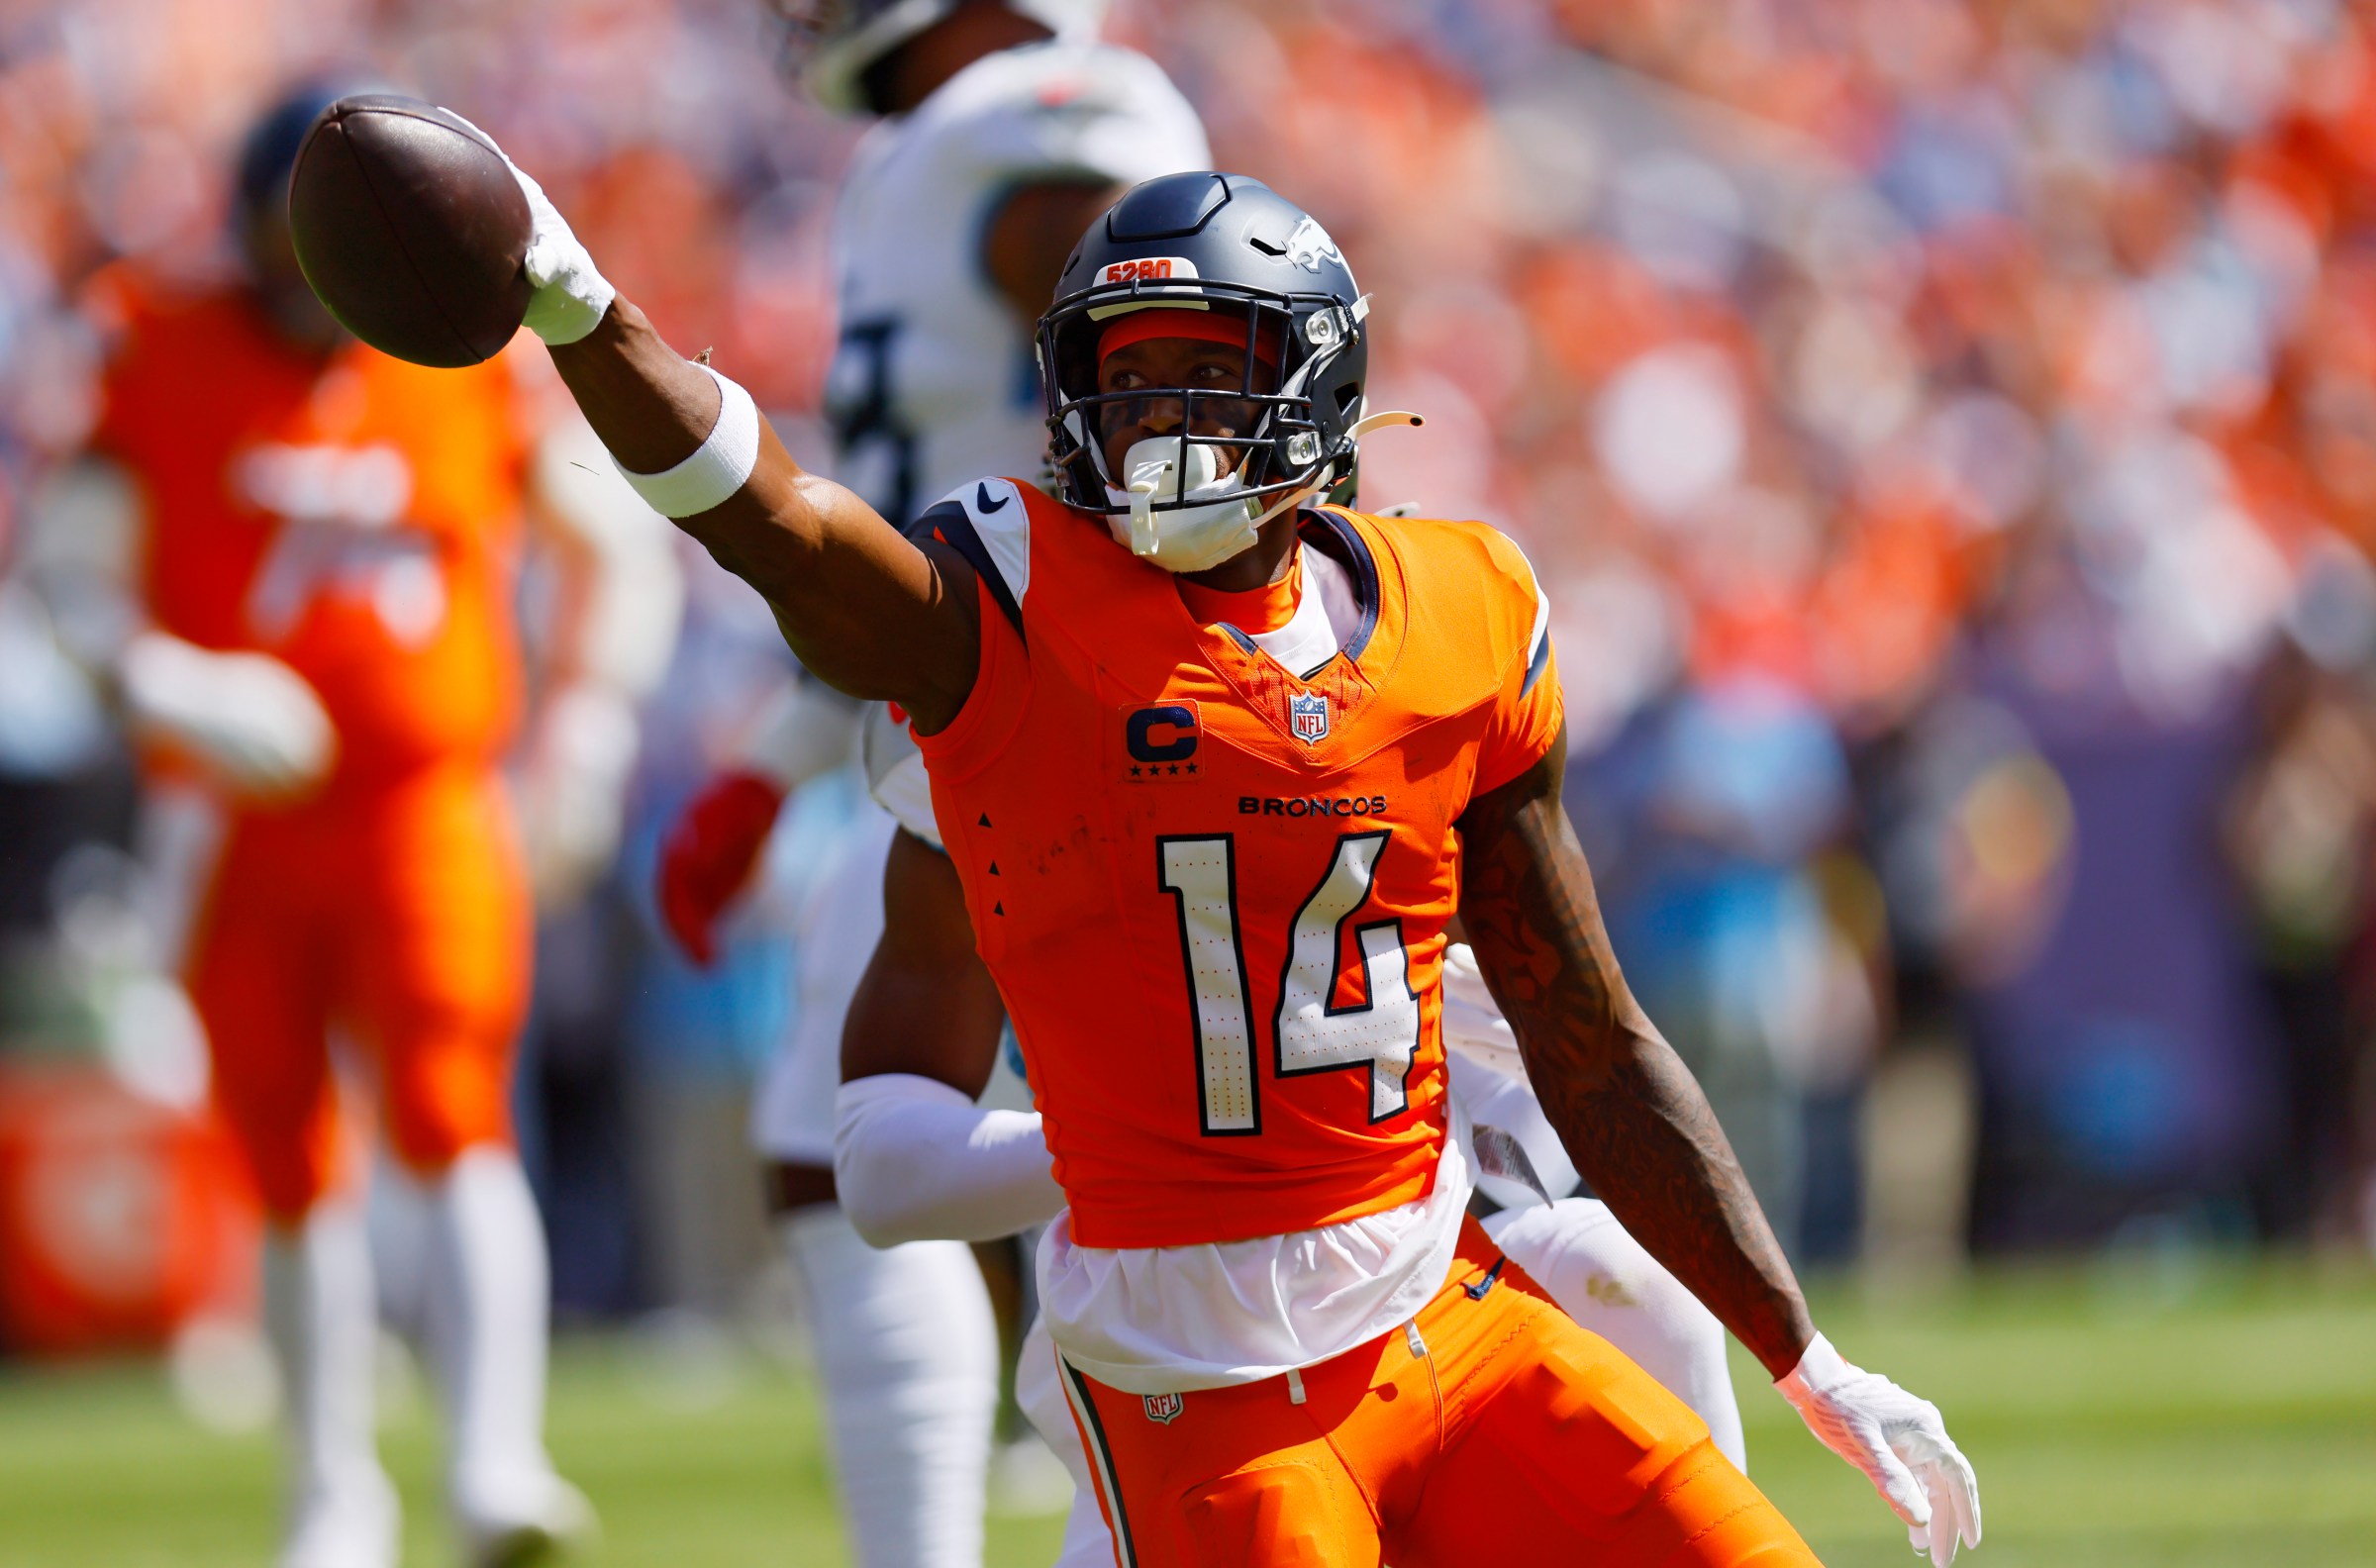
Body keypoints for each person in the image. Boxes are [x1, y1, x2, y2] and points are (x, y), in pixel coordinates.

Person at [473, 148, 1983, 1564]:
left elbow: (1590, 1037)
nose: (1160, 422)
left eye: (1205, 374)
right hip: (1193, 1376)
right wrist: (584, 310)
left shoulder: (1461, 616)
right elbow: (782, 526)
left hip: (1447, 1310)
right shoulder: (1008, 629)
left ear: (1315, 388)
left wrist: (1810, 1358)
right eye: (1127, 383)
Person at [22, 86, 680, 1568]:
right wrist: (161, 680)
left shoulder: (469, 357)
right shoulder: (159, 341)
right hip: (234, 816)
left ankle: (494, 1460)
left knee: (454, 1110)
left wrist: (585, 729)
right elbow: (73, 571)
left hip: (421, 803)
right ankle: (331, 1491)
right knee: (286, 1149)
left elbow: (616, 552)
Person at [659, 3, 1209, 1559]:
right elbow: (918, 518)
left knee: (874, 1147)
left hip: (1050, 704)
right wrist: (776, 766)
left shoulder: (1037, 110)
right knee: (886, 1147)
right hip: (977, 705)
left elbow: (1167, 375)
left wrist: (1136, 672)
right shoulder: (933, 146)